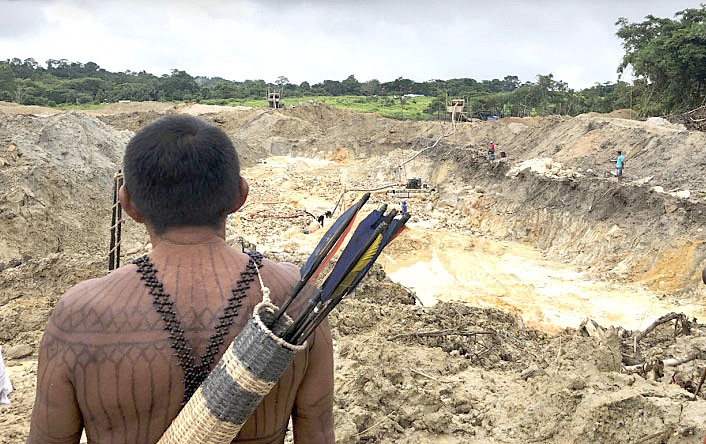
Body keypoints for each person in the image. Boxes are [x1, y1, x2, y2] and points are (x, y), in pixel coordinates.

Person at [27, 115, 334, 444]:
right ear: (240, 195)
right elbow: (317, 433)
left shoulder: (78, 315)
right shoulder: (297, 298)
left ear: (128, 203)